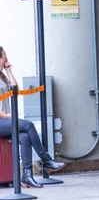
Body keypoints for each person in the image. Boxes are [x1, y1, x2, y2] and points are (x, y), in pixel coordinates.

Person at [0, 46, 66, 188]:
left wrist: (9, 71)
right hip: (1, 119)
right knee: (28, 125)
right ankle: (47, 160)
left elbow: (15, 89)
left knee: (24, 137)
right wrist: (8, 116)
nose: (7, 58)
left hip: (5, 120)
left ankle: (27, 175)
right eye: (5, 56)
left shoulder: (2, 76)